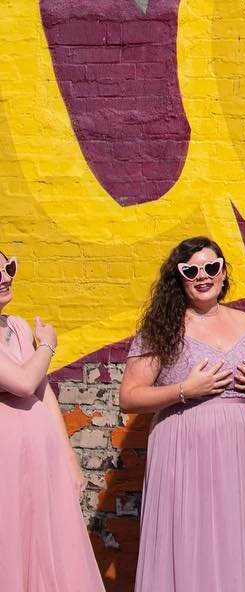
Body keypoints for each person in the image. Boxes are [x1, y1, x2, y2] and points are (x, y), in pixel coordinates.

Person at [119, 237, 245, 592]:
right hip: (184, 446)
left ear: (223, 272)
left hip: (236, 451)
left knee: (231, 535)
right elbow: (129, 397)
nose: (202, 276)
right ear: (179, 277)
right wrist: (184, 391)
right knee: (187, 534)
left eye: (211, 267)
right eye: (191, 270)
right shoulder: (165, 325)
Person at [0, 249, 106, 592]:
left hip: (40, 459)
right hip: (6, 463)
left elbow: (43, 391)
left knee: (47, 548)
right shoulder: (38, 338)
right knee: (13, 545)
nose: (5, 277)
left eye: (8, 267)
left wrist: (69, 460)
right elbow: (23, 382)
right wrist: (48, 344)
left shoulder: (15, 325)